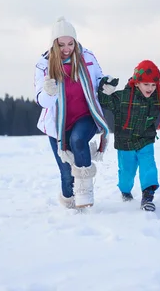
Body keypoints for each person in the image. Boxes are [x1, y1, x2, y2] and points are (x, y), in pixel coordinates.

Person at [34, 16, 110, 209]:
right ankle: (69, 200)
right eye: (61, 44)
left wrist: (107, 85)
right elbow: (41, 101)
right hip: (57, 125)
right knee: (66, 175)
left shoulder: (88, 57)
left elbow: (100, 79)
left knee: (78, 140)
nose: (67, 48)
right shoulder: (43, 64)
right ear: (54, 44)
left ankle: (85, 193)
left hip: (85, 116)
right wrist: (49, 91)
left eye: (70, 43)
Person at [98, 60, 160, 212]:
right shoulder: (122, 97)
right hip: (125, 143)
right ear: (136, 83)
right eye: (146, 84)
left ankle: (148, 195)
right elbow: (104, 101)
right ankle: (125, 191)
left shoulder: (157, 98)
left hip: (145, 140)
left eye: (154, 85)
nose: (150, 88)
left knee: (149, 166)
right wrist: (105, 89)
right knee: (126, 174)